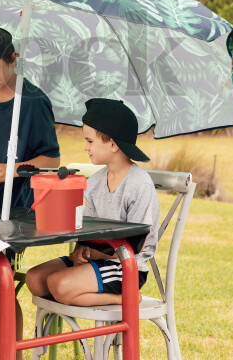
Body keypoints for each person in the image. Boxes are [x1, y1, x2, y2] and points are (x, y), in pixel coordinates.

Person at [0, 26, 61, 360]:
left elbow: (52, 160)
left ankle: (10, 352)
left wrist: (10, 169)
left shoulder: (34, 102)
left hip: (21, 205)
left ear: (13, 59)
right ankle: (5, 338)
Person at [25, 98, 160, 307]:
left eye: (90, 141)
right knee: (34, 279)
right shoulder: (96, 181)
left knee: (58, 284)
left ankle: (124, 299)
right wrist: (81, 249)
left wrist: (91, 253)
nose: (86, 147)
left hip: (124, 265)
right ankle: (70, 294)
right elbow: (88, 227)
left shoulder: (139, 185)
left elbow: (136, 245)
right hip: (95, 258)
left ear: (113, 144)